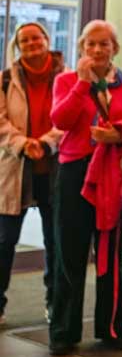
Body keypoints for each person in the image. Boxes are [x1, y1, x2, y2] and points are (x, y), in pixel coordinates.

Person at [48, 20, 122, 355]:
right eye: (90, 44)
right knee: (69, 255)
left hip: (111, 174)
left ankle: (112, 327)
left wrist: (117, 135)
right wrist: (81, 85)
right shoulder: (65, 80)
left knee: (109, 255)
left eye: (104, 44)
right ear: (81, 48)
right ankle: (63, 330)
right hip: (74, 173)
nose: (97, 50)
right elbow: (60, 121)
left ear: (115, 49)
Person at [0, 22, 66, 325]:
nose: (31, 43)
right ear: (18, 45)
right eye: (24, 40)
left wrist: (46, 143)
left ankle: (54, 304)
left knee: (55, 241)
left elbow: (71, 118)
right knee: (4, 241)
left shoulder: (67, 78)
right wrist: (23, 143)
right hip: (16, 170)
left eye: (36, 38)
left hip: (54, 170)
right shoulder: (4, 80)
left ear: (47, 40)